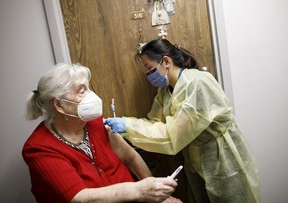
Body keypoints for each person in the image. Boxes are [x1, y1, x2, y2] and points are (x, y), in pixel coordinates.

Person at [105, 38, 261, 203]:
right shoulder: (165, 92)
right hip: (196, 160)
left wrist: (128, 126)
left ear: (166, 61)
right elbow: (154, 123)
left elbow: (172, 137)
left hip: (221, 155)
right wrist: (125, 124)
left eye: (150, 69)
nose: (148, 76)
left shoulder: (196, 83)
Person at [22, 63, 182, 203]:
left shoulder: (95, 122)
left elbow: (131, 158)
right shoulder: (39, 148)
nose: (91, 95)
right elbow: (80, 198)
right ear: (60, 105)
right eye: (81, 91)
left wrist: (158, 197)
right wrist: (140, 191)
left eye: (88, 87)